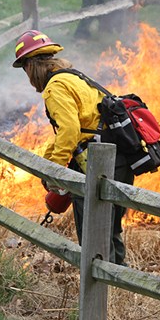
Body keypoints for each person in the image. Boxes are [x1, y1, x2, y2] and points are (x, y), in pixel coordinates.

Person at [13, 30, 134, 266]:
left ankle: (102, 294)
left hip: (95, 168)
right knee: (110, 231)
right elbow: (79, 128)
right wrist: (48, 158)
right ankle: (121, 288)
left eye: (25, 68)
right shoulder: (74, 77)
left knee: (93, 240)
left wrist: (55, 173)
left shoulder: (54, 88)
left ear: (31, 66)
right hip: (119, 161)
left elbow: (69, 130)